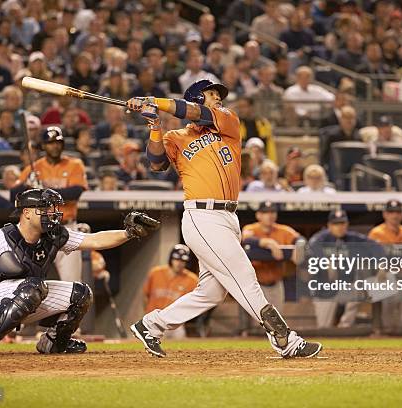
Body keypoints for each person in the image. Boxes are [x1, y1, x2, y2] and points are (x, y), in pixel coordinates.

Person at [125, 79, 322, 358]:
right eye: (212, 94)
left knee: (212, 292)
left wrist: (155, 101)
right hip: (202, 216)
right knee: (244, 276)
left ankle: (152, 324)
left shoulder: (227, 121)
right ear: (196, 97)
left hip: (229, 217)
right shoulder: (176, 137)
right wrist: (155, 127)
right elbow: (156, 164)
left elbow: (197, 113)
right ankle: (284, 339)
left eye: (218, 94)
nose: (218, 98)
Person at [0, 188, 159, 355]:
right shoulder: (1, 238)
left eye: (52, 208)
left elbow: (93, 239)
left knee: (81, 293)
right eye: (45, 208)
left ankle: (54, 342)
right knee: (33, 286)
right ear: (27, 212)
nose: (51, 213)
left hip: (23, 293)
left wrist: (128, 233)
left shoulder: (53, 235)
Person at [14, 126, 88, 282]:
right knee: (29, 281)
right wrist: (27, 185)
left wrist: (42, 190)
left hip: (65, 228)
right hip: (39, 232)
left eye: (58, 142)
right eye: (50, 143)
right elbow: (13, 195)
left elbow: (75, 193)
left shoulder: (74, 164)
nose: (55, 146)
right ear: (43, 146)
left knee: (72, 282)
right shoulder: (35, 168)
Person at [307, 210, 376, 328]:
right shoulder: (321, 238)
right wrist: (324, 260)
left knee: (359, 288)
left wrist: (381, 264)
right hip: (324, 289)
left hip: (346, 287)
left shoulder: (352, 238)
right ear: (329, 225)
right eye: (336, 224)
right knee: (324, 327)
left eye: (342, 223)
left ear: (347, 224)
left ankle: (345, 327)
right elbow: (312, 245)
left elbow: (375, 245)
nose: (339, 227)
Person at [368, 200, 402, 329]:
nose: (394, 215)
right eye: (391, 212)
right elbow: (370, 259)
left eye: (397, 212)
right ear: (385, 214)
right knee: (387, 322)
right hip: (387, 279)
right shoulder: (376, 233)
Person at [242, 202, 301, 312]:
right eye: (265, 212)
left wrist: (298, 248)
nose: (269, 215)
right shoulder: (251, 229)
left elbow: (300, 240)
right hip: (256, 285)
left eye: (272, 212)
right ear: (258, 215)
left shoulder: (283, 230)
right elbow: (245, 239)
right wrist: (267, 242)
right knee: (256, 321)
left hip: (276, 284)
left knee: (278, 321)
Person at [142, 244, 198, 339]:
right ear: (171, 259)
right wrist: (147, 315)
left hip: (175, 324)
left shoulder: (192, 280)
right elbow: (145, 296)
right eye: (176, 259)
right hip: (154, 321)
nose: (179, 263)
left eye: (183, 261)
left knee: (181, 348)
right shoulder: (155, 273)